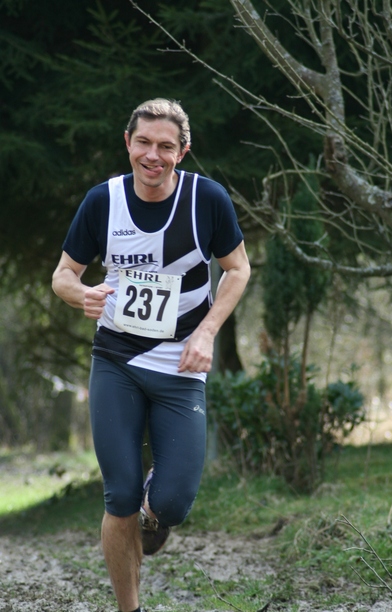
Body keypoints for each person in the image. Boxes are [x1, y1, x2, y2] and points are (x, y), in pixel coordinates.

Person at [52, 98, 251, 612]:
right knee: (118, 497)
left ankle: (153, 506)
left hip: (181, 362)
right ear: (128, 143)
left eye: (165, 146)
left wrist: (207, 333)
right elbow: (63, 275)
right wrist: (81, 294)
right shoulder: (104, 200)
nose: (152, 155)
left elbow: (238, 269)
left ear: (183, 151)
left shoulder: (206, 199)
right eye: (143, 142)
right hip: (116, 358)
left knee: (173, 503)